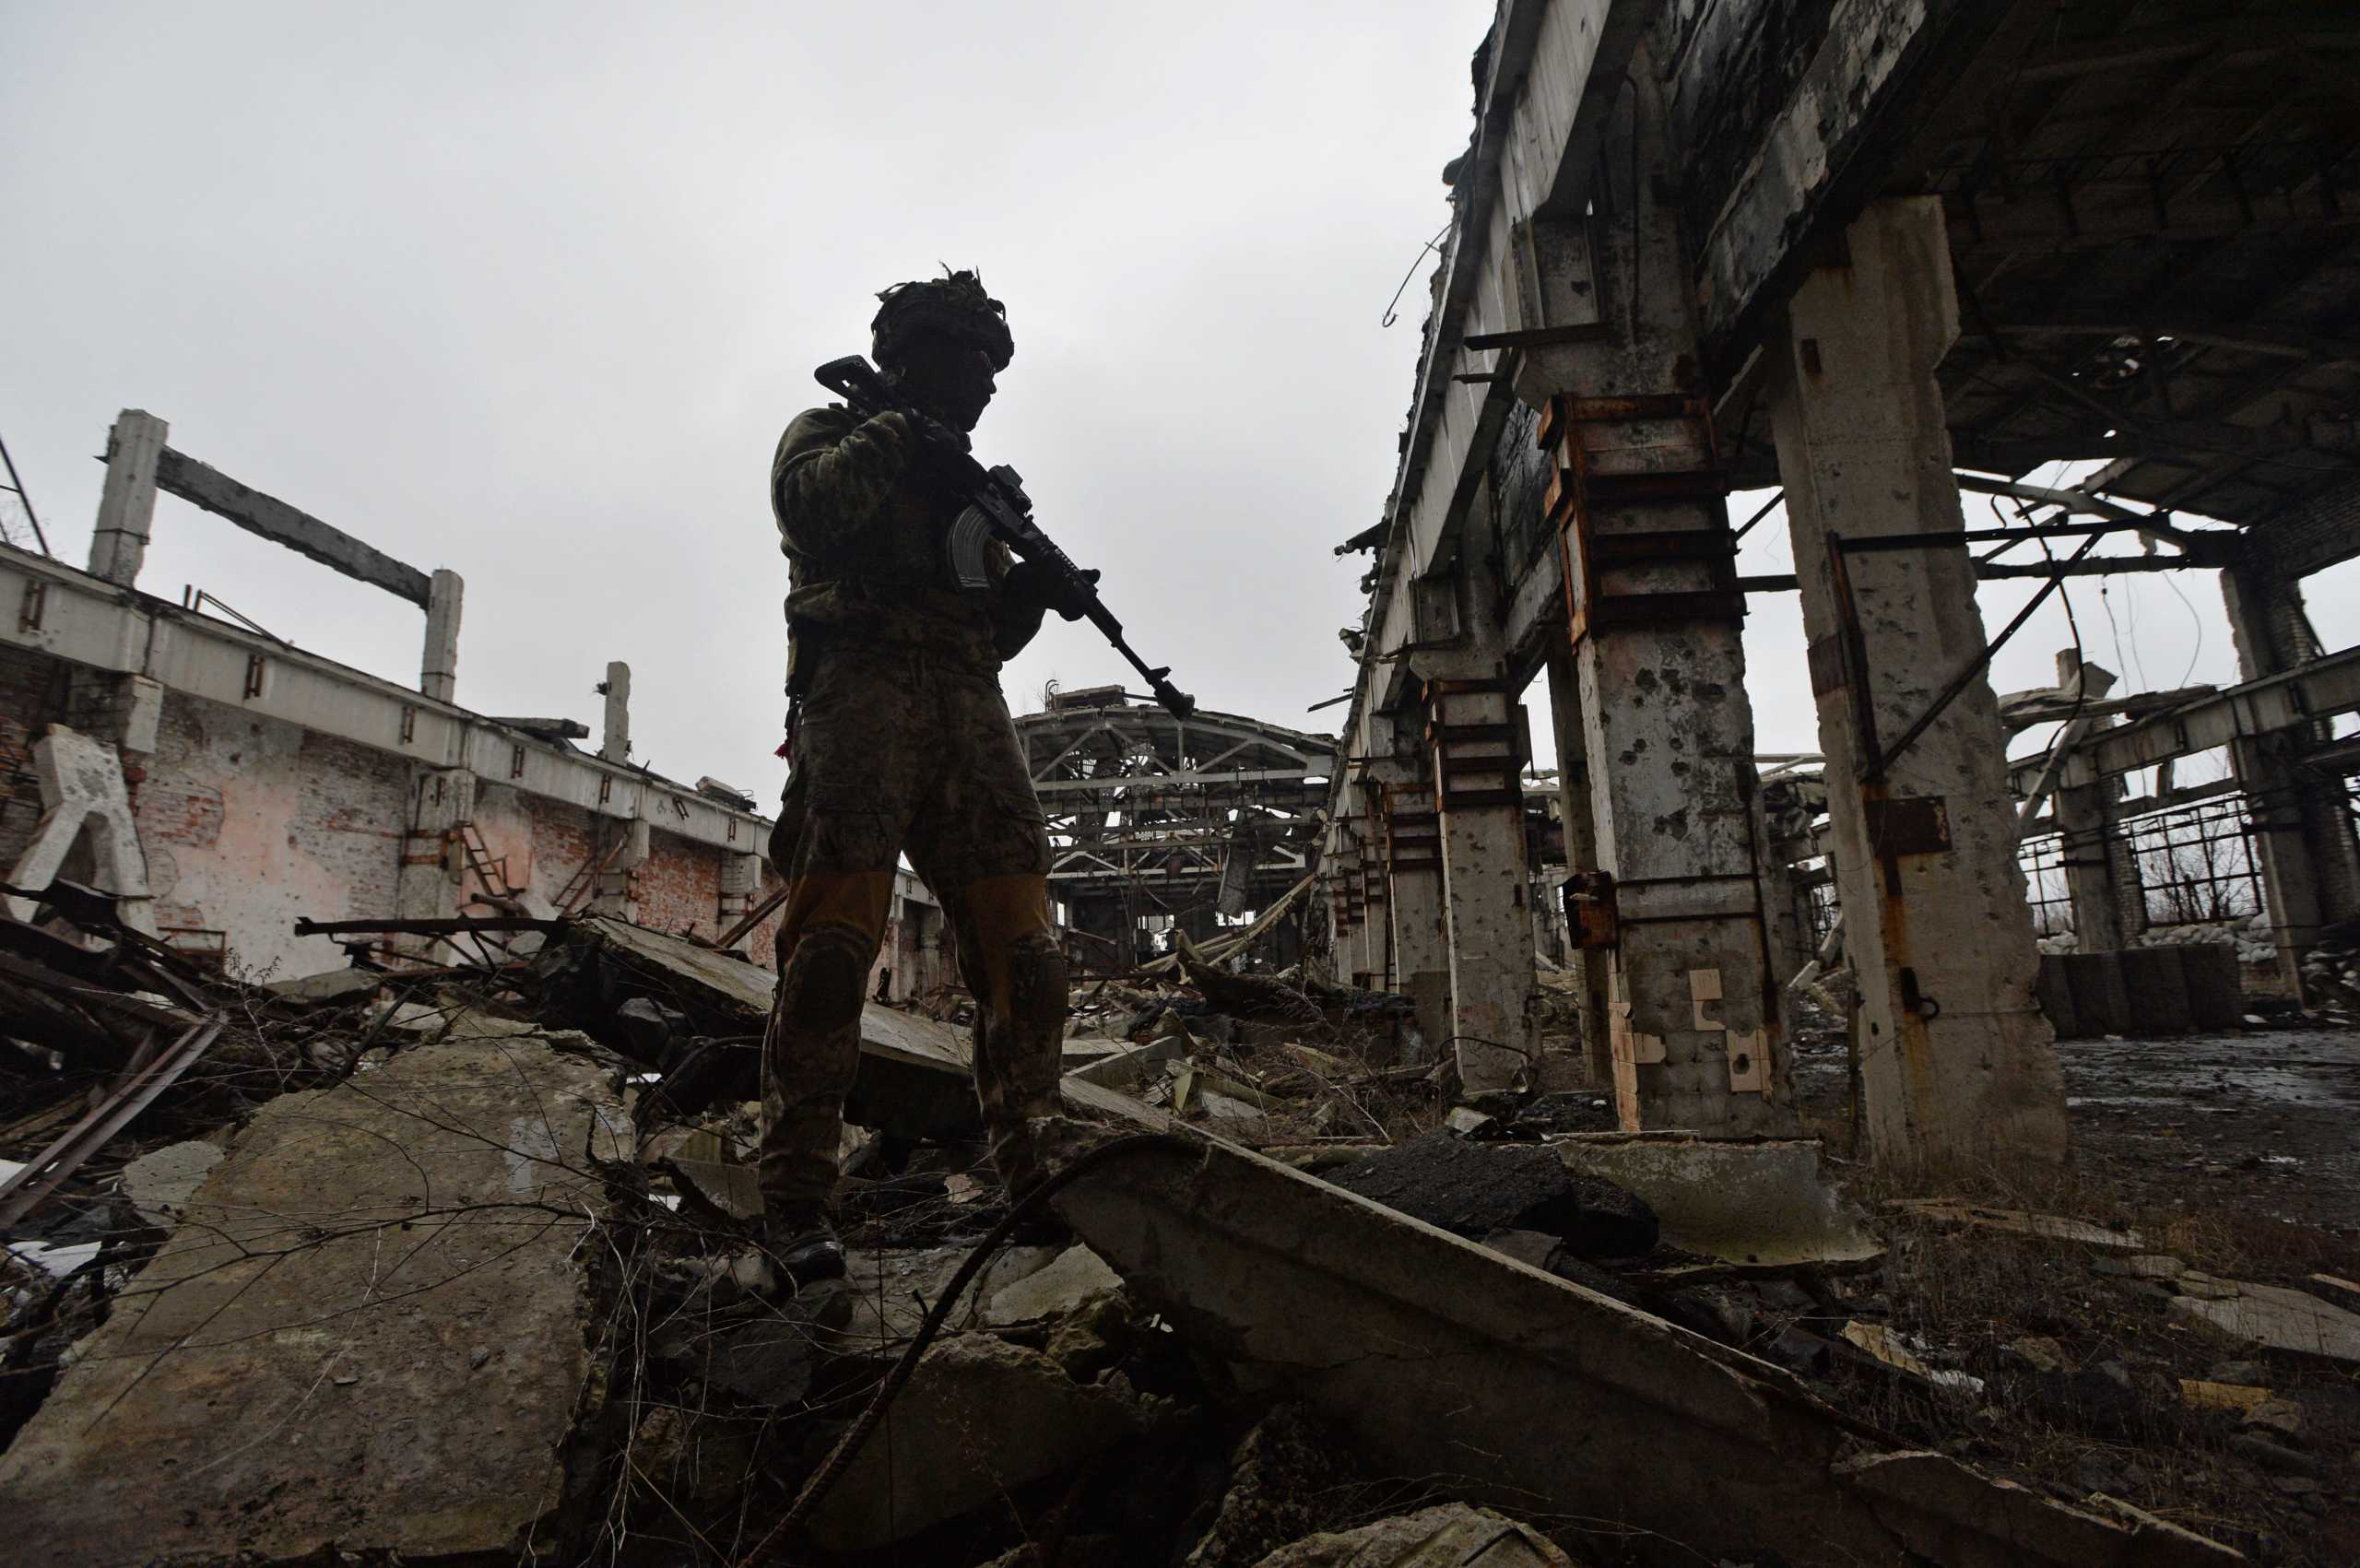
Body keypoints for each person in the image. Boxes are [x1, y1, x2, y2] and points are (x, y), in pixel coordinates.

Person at [760, 270, 1080, 1292]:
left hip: (965, 706)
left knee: (1025, 953)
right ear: (909, 359)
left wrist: (1036, 588)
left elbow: (989, 625)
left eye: (992, 374)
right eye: (965, 367)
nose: (981, 391)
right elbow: (814, 515)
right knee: (832, 950)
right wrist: (902, 434)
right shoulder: (830, 429)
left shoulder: (972, 483)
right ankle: (797, 1204)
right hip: (857, 693)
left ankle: (1033, 1179)